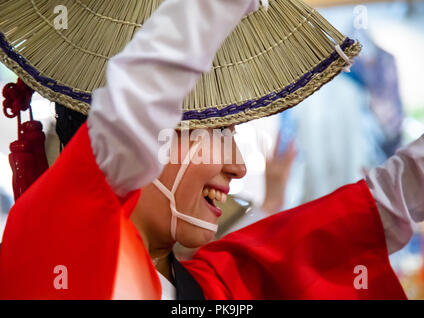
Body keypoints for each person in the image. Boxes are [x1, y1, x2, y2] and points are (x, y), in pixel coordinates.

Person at [0, 0, 421, 300]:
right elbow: (127, 116)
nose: (237, 165)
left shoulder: (213, 287)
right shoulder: (57, 239)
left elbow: (357, 219)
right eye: (216, 132)